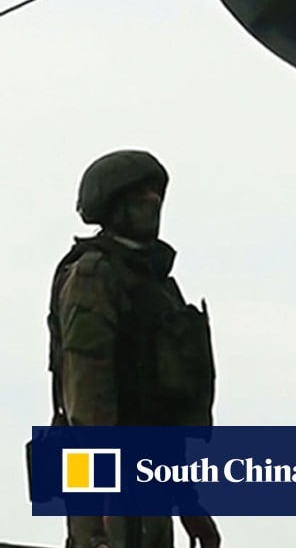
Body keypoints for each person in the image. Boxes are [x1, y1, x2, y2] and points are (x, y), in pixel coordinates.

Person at [49, 150, 221, 548]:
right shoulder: (94, 276)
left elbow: (166, 413)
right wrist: (94, 527)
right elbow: (86, 408)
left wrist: (190, 506)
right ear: (113, 207)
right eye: (138, 195)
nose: (152, 202)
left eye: (154, 193)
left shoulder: (157, 286)